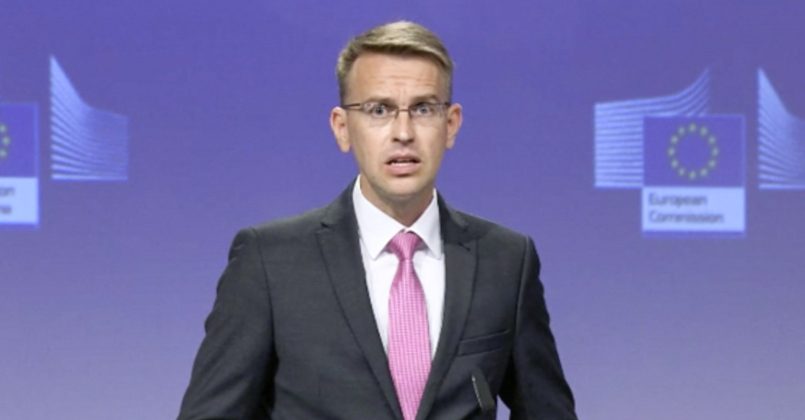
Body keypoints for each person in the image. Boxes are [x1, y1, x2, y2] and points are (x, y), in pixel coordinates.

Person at [178, 20, 577, 420]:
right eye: (379, 110)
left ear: (451, 124)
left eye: (423, 109)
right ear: (342, 128)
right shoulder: (269, 262)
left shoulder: (506, 260)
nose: (403, 132)